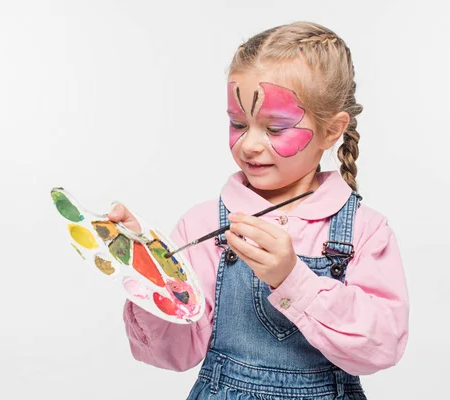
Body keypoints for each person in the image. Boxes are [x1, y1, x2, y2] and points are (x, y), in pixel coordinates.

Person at [108, 21, 409, 400]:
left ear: (332, 131)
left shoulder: (365, 230)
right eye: (238, 123)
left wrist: (294, 280)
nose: (249, 144)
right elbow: (172, 353)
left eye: (276, 128)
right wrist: (152, 275)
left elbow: (382, 345)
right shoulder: (204, 225)